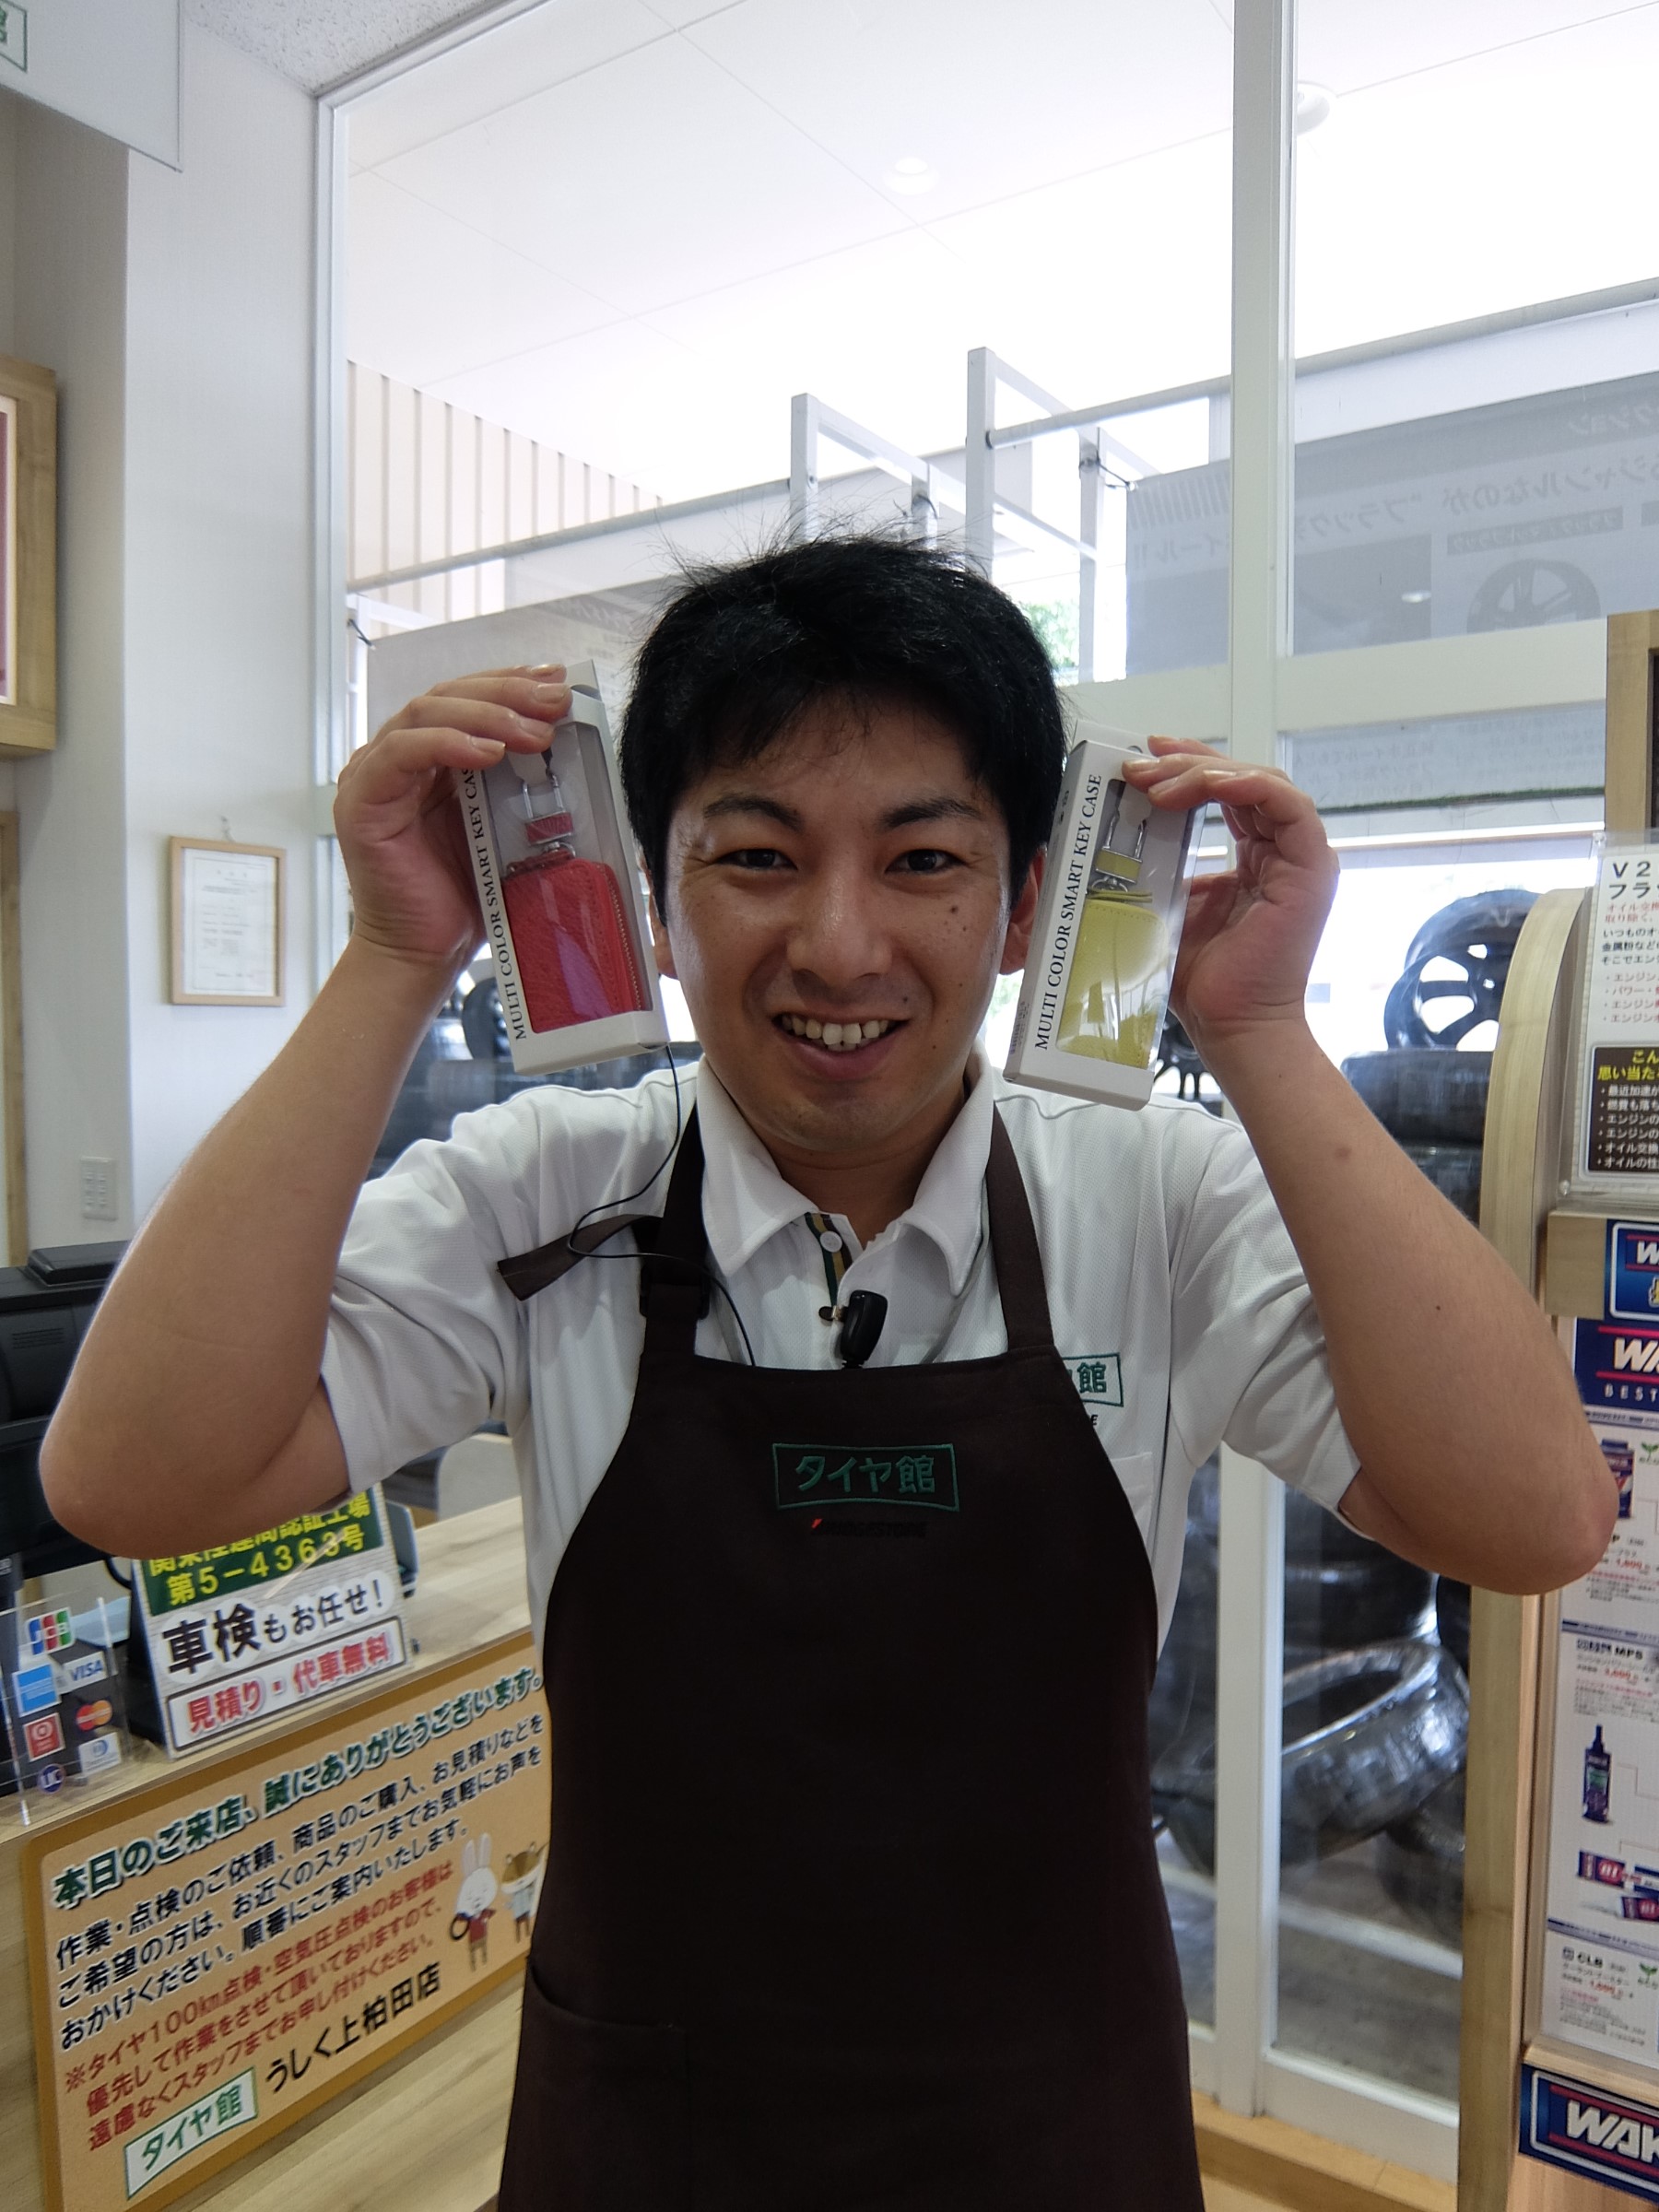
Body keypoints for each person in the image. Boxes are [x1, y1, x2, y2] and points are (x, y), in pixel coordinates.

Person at [43, 535, 1612, 2210]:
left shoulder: (1157, 1194)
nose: (842, 944)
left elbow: (1532, 1520)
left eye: (923, 858)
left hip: (1055, 2134)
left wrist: (1263, 1036)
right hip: (650, 2134)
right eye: (758, 858)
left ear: (1023, 907)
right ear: (656, 904)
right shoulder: (547, 1187)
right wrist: (388, 960)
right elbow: (135, 1477)